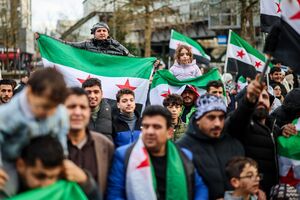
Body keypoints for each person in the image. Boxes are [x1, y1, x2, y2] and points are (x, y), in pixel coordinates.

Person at [106, 105, 208, 200]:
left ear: (169, 133)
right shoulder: (124, 155)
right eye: (146, 126)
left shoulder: (184, 156)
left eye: (156, 127)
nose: (150, 132)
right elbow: (115, 194)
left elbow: (200, 187)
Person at [177, 94, 245, 199]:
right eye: (211, 117)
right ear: (198, 118)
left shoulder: (234, 144)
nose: (217, 123)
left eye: (221, 117)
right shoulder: (182, 148)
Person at [226, 75, 281, 197]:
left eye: (265, 97)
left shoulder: (275, 129)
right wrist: (249, 101)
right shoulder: (242, 125)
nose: (260, 100)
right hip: (250, 194)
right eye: (256, 97)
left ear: (270, 105)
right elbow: (236, 120)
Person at [0, 135, 101, 199]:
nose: (46, 185)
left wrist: (85, 180)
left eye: (53, 177)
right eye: (40, 176)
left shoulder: (66, 181)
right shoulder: (5, 185)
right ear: (20, 165)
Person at [65, 87, 114, 196]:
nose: (77, 112)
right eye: (71, 107)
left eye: (83, 107)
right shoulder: (51, 145)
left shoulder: (105, 146)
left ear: (88, 111)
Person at [35, 22, 131, 56]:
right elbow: (66, 44)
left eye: (104, 31)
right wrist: (45, 38)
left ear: (108, 33)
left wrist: (115, 43)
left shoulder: (114, 45)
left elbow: (127, 54)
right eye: (99, 31)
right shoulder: (87, 44)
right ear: (94, 33)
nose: (102, 33)